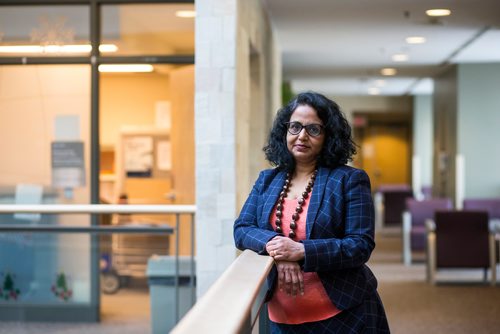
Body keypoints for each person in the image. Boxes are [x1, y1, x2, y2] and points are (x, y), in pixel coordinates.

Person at [233, 91, 389, 333]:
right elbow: (242, 229)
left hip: (346, 314)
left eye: (313, 129)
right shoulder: (268, 180)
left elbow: (360, 245)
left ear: (328, 135)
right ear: (284, 131)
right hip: (283, 317)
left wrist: (301, 251)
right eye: (295, 127)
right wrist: (279, 248)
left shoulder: (349, 179)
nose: (302, 136)